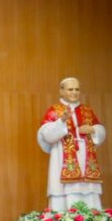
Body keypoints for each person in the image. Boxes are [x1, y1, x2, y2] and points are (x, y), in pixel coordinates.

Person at [38, 77, 106, 210]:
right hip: (62, 157)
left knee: (88, 191)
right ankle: (64, 219)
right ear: (61, 91)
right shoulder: (54, 110)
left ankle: (91, 219)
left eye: (77, 89)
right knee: (62, 194)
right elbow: (46, 135)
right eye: (70, 89)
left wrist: (92, 129)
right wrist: (62, 121)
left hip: (85, 157)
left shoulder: (87, 110)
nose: (74, 92)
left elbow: (100, 129)